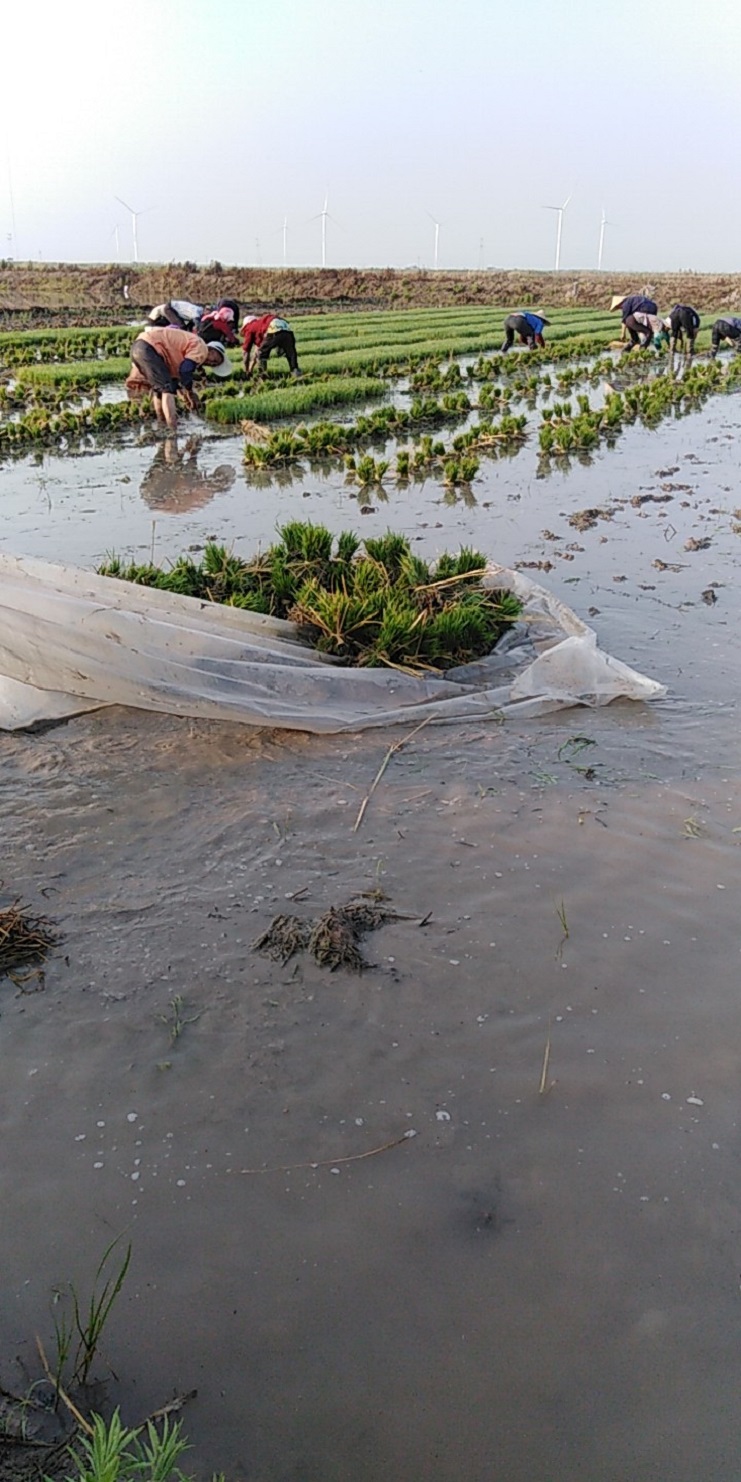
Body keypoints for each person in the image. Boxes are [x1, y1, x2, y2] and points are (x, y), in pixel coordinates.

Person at [125, 325, 232, 430]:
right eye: (215, 360)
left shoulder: (190, 350)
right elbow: (185, 370)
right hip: (149, 347)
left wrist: (185, 394)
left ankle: (162, 424)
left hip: (139, 346)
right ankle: (172, 429)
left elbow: (177, 377)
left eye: (214, 365)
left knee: (159, 390)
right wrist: (190, 391)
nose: (211, 363)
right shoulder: (202, 348)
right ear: (213, 350)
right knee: (167, 390)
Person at [241, 313, 302, 377]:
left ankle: (263, 375)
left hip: (273, 328)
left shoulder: (249, 327)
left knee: (262, 354)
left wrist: (246, 371)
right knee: (290, 354)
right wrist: (250, 369)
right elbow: (257, 351)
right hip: (286, 328)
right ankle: (296, 373)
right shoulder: (261, 324)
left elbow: (246, 352)